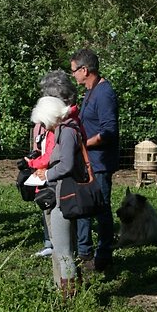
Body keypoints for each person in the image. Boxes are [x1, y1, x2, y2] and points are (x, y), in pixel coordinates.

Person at [70, 49, 118, 272]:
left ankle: (104, 253)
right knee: (83, 207)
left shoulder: (104, 93)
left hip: (99, 162)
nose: (73, 76)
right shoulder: (90, 90)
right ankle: (84, 251)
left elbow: (109, 131)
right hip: (86, 161)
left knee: (100, 208)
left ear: (84, 70)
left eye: (74, 71)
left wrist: (83, 144)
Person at [32, 96, 84, 297]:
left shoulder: (67, 131)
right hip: (60, 193)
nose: (45, 127)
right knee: (65, 250)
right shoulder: (67, 128)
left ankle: (69, 299)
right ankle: (72, 294)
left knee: (64, 253)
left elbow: (67, 164)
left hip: (64, 196)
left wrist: (47, 174)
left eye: (44, 122)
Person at [27, 71, 81, 259]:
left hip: (61, 186)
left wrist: (43, 171)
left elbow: (63, 162)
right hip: (52, 181)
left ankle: (68, 284)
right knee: (58, 235)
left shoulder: (66, 130)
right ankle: (65, 280)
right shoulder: (59, 127)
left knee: (64, 245)